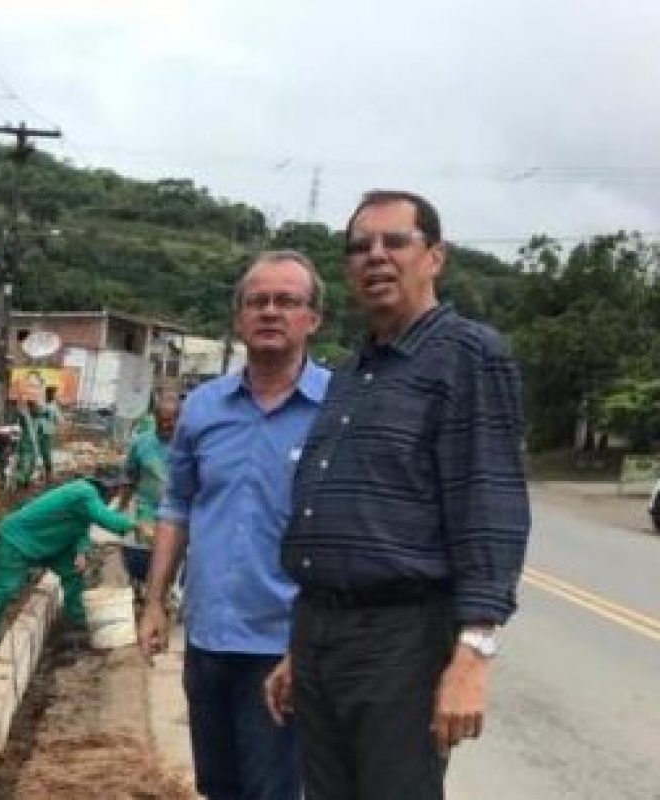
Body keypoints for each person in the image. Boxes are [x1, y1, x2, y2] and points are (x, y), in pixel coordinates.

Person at [268, 190, 531, 799]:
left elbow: (489, 502)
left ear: (435, 256)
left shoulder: (468, 355)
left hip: (401, 640)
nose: (375, 257)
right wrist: (300, 651)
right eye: (360, 247)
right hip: (320, 634)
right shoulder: (354, 370)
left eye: (395, 242)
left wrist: (473, 651)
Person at [138, 251, 330, 800]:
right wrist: (154, 602)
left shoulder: (336, 412)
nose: (271, 312)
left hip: (284, 646)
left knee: (272, 791)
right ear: (238, 318)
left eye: (287, 301)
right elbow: (178, 507)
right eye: (257, 301)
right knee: (218, 786)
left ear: (312, 319)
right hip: (207, 639)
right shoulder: (203, 408)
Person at [0, 476, 144, 651]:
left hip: (49, 542)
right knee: (6, 587)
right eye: (114, 490)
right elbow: (106, 519)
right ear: (104, 486)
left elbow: (83, 527)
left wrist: (81, 551)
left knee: (73, 572)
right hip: (17, 540)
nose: (115, 495)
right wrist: (136, 526)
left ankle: (76, 622)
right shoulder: (84, 492)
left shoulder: (86, 496)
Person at [117, 394, 179, 594]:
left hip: (177, 512)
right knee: (145, 554)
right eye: (163, 420)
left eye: (172, 420)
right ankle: (141, 591)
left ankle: (163, 594)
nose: (167, 425)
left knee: (171, 556)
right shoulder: (141, 443)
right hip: (147, 510)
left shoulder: (187, 446)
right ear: (155, 418)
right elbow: (130, 477)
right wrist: (121, 508)